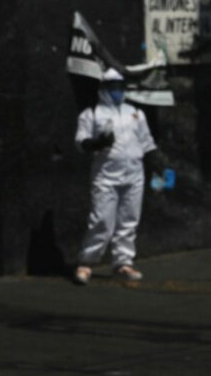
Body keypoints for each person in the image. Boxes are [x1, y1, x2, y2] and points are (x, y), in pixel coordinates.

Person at [73, 68, 161, 285]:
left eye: (121, 88)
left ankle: (123, 262)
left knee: (129, 220)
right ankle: (87, 262)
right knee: (101, 220)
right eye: (113, 88)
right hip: (105, 176)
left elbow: (147, 142)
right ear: (104, 89)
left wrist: (156, 164)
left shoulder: (135, 113)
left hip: (134, 174)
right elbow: (80, 141)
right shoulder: (92, 113)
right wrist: (96, 143)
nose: (118, 92)